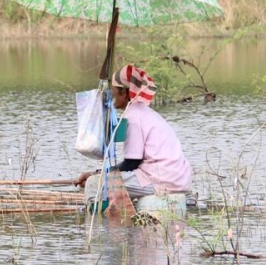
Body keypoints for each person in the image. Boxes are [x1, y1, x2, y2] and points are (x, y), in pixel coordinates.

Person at [74, 64, 193, 200]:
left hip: (162, 179)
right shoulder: (142, 111)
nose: (111, 96)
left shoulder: (133, 117)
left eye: (113, 91)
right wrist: (99, 173)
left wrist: (95, 176)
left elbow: (131, 164)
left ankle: (93, 219)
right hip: (178, 178)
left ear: (124, 93)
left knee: (94, 184)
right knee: (101, 180)